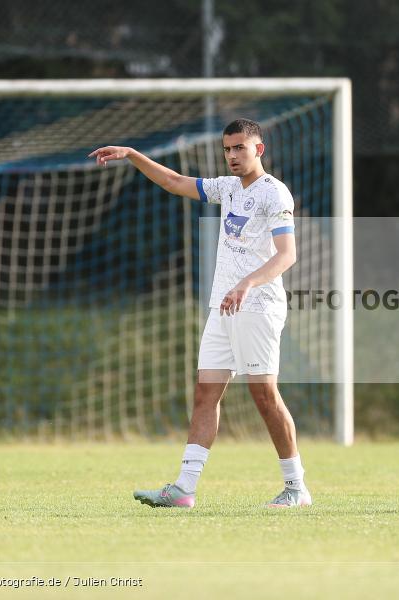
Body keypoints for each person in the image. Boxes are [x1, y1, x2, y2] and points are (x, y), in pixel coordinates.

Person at [89, 118, 311, 509]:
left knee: (263, 394)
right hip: (222, 308)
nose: (232, 156)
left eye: (239, 148)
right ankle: (184, 488)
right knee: (205, 393)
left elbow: (287, 255)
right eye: (227, 149)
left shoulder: (274, 194)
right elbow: (175, 182)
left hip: (257, 306)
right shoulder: (226, 188)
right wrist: (133, 155)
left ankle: (296, 487)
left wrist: (248, 283)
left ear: (258, 149)